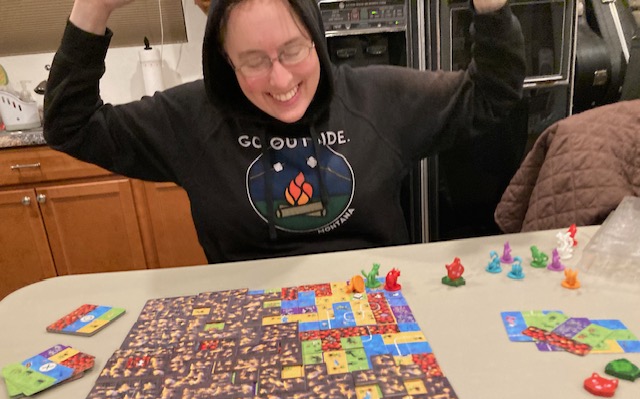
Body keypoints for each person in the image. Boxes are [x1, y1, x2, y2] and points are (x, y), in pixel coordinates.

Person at [43, 0, 526, 264]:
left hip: (375, 305)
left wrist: (491, 9)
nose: (280, 80)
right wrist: (94, 8)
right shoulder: (192, 118)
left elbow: (493, 93)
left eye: (293, 51)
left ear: (317, 40)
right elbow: (71, 126)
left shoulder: (379, 98)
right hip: (247, 320)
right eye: (253, 61)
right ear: (226, 62)